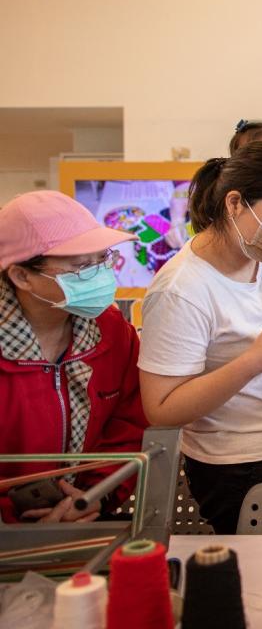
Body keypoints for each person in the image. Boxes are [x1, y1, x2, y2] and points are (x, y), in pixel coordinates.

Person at [138, 141, 262, 533]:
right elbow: (162, 409)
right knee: (260, 585)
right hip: (236, 465)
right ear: (235, 203)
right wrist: (254, 360)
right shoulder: (181, 290)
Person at [0, 190, 147, 523]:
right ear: (22, 276)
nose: (100, 275)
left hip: (83, 518)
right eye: (81, 266)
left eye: (102, 259)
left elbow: (130, 424)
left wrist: (97, 494)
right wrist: (12, 517)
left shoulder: (111, 332)